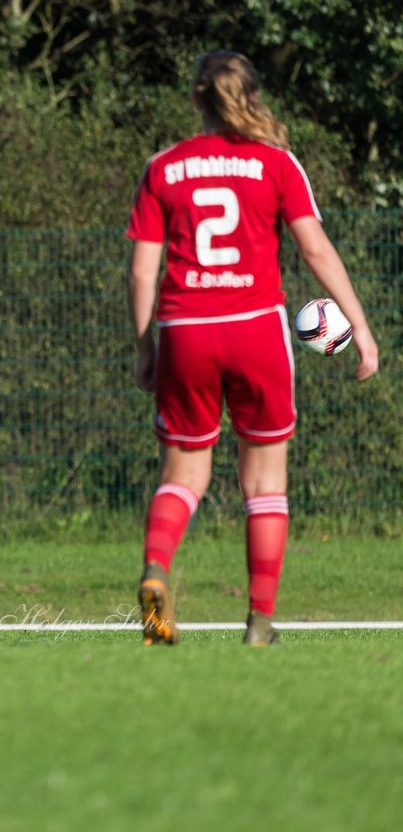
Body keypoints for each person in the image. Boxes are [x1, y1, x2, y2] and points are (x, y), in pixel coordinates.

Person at [125, 50, 379, 647]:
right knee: (265, 485)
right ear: (254, 97)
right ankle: (260, 622)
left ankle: (157, 572)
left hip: (186, 329)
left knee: (184, 473)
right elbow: (315, 251)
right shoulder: (276, 163)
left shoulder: (164, 167)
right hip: (257, 328)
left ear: (196, 100)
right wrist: (362, 328)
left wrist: (145, 346)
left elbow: (142, 272)